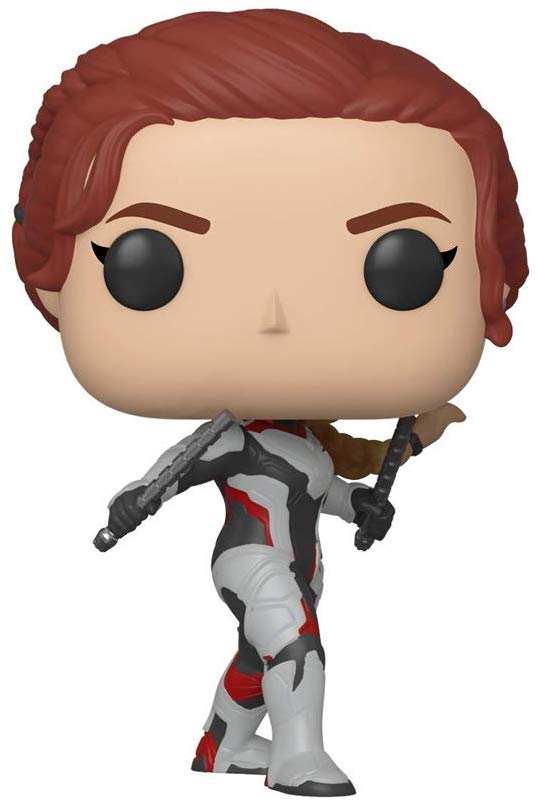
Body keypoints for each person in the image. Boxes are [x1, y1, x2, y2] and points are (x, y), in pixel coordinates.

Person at [12, 9, 527, 797]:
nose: (276, 319)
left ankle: (219, 745)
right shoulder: (231, 436)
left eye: (405, 265)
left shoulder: (304, 440)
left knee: (261, 653)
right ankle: (298, 754)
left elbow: (318, 487)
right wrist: (133, 501)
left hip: (298, 558)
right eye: (149, 263)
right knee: (294, 642)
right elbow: (171, 472)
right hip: (249, 558)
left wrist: (359, 506)